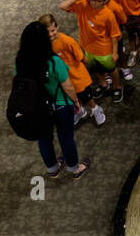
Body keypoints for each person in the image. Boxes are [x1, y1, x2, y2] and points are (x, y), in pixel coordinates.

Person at [14, 21, 90, 179]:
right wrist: (76, 101)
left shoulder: (20, 61)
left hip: (37, 109)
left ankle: (52, 168)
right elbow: (67, 85)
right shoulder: (53, 61)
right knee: (66, 137)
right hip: (60, 105)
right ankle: (74, 168)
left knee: (44, 139)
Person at [59, 0, 127, 104]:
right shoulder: (83, 4)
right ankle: (103, 84)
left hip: (104, 49)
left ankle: (117, 87)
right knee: (96, 69)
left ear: (105, 1)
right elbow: (63, 6)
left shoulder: (108, 15)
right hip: (87, 47)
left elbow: (114, 35)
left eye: (98, 1)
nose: (94, 3)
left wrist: (114, 52)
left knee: (112, 70)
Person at [38, 13, 106, 126]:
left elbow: (83, 58)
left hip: (77, 77)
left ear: (57, 27)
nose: (50, 34)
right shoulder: (45, 44)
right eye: (47, 32)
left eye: (53, 30)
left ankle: (95, 109)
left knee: (86, 96)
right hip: (63, 78)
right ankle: (80, 111)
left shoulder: (67, 41)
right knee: (71, 97)